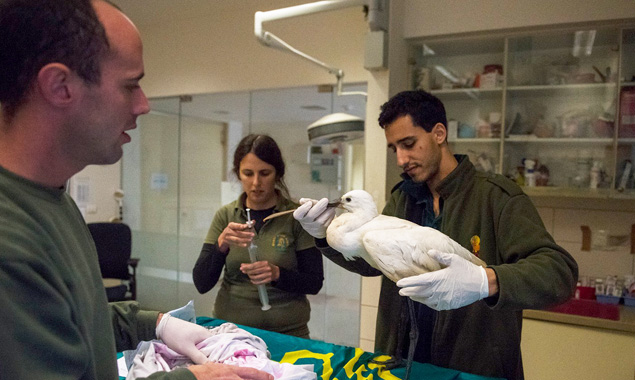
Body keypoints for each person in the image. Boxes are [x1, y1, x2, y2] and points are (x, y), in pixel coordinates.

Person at [0, 1, 272, 379]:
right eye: (130, 86)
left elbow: (80, 316)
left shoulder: (53, 199)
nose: (143, 105)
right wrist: (193, 378)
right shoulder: (10, 245)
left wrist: (156, 324)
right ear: (60, 87)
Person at [293, 90, 579, 380]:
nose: (402, 159)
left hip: (472, 366)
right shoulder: (402, 199)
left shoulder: (496, 198)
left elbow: (560, 274)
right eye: (394, 149)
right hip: (406, 363)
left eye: (409, 144)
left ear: (439, 133)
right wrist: (324, 236)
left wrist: (485, 281)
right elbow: (371, 263)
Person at [194, 134, 323, 339]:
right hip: (231, 334)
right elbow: (202, 283)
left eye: (264, 173)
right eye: (247, 173)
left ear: (277, 173)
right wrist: (221, 245)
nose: (256, 183)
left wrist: (277, 274)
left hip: (287, 334)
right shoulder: (226, 216)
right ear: (238, 174)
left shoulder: (296, 217)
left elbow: (314, 283)